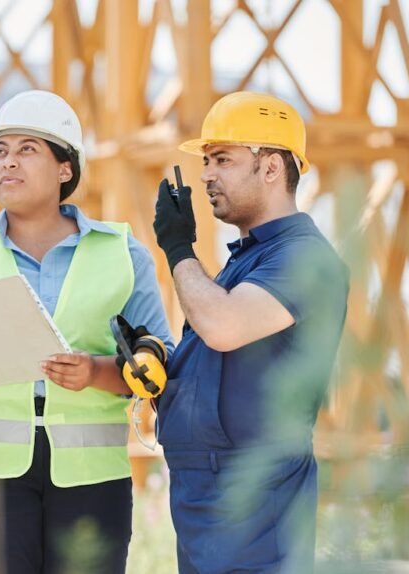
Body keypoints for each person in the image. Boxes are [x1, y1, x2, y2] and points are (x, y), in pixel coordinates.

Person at [0, 90, 173, 574]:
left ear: (65, 168)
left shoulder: (123, 255)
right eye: (0, 152)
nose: (8, 163)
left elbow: (159, 362)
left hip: (92, 476)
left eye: (27, 149)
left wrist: (95, 371)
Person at [151, 91, 349, 573]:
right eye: (205, 161)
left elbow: (223, 325)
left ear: (271, 168)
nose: (205, 175)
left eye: (222, 159)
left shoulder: (304, 258)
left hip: (257, 507)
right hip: (207, 502)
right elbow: (216, 357)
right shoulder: (243, 265)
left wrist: (178, 248)